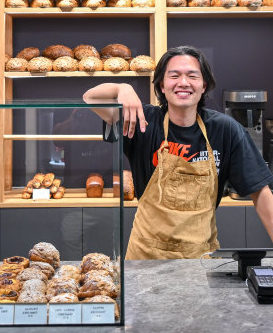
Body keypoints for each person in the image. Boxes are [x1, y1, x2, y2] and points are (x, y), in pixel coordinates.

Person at [82, 45, 273, 259]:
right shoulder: (142, 121)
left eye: (192, 76)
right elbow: (90, 97)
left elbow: (260, 192)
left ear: (204, 86)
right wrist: (122, 88)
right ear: (162, 85)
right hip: (145, 259)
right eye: (174, 76)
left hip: (199, 261)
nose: (183, 82)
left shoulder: (225, 129)